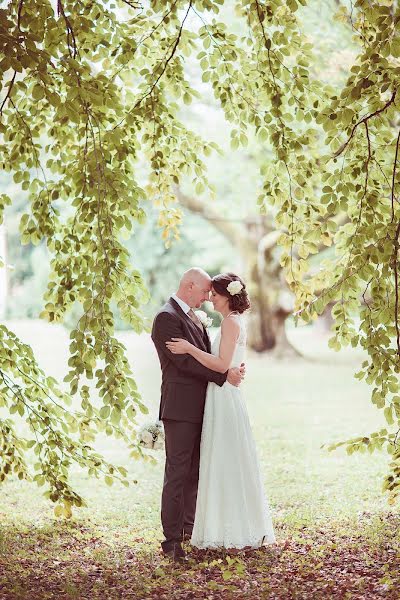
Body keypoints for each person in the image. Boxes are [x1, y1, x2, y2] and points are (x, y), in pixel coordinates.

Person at [166, 272, 275, 551]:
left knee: (224, 459)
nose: (210, 298)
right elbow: (227, 364)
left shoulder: (230, 323)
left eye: (214, 294)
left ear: (228, 296)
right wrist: (230, 370)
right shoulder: (230, 321)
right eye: (208, 292)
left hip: (224, 396)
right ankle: (218, 525)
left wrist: (190, 348)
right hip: (219, 395)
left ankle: (228, 527)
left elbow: (221, 363)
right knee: (221, 460)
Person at [151, 267, 245, 561]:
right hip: (180, 409)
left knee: (194, 473)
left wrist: (227, 369)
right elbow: (183, 364)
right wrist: (223, 376)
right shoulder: (166, 318)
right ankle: (171, 540)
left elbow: (209, 354)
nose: (207, 298)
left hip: (203, 407)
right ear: (189, 286)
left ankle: (188, 530)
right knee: (177, 474)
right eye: (204, 291)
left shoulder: (193, 316)